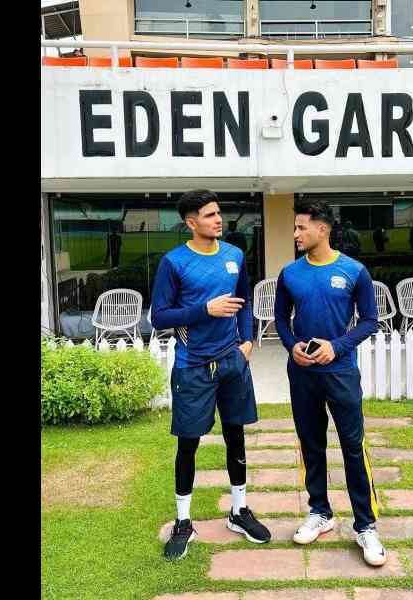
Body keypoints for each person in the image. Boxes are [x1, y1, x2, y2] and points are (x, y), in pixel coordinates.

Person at [150, 189, 271, 561]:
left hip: (233, 362)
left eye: (219, 213)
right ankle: (184, 522)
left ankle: (238, 511)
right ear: (191, 222)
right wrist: (206, 308)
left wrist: (247, 341)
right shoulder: (174, 263)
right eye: (209, 215)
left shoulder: (234, 255)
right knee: (188, 443)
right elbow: (160, 317)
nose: (218, 220)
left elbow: (246, 300)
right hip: (193, 366)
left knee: (236, 435)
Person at [273, 199, 388, 567]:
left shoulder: (354, 271)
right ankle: (320, 512)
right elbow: (280, 320)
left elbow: (370, 320)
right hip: (303, 374)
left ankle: (366, 526)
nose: (295, 234)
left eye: (300, 227)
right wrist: (293, 348)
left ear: (322, 229)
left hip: (341, 373)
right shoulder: (290, 274)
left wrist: (335, 347)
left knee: (353, 446)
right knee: (311, 444)